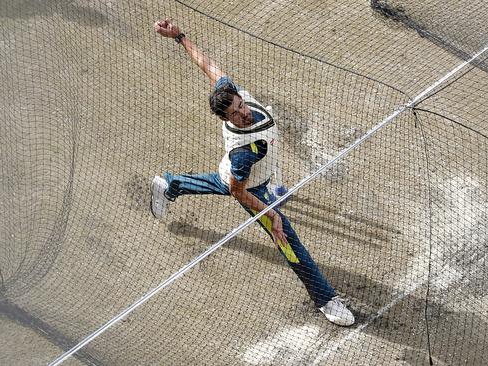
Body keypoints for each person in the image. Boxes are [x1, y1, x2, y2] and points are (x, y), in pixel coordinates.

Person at [151, 19, 354, 326]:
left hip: (250, 175)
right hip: (250, 186)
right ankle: (325, 299)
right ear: (225, 117)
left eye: (241, 104)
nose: (243, 111)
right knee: (288, 241)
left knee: (218, 182)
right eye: (235, 112)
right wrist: (272, 216)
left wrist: (179, 36)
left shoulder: (232, 93)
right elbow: (237, 191)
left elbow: (208, 66)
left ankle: (170, 184)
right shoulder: (244, 152)